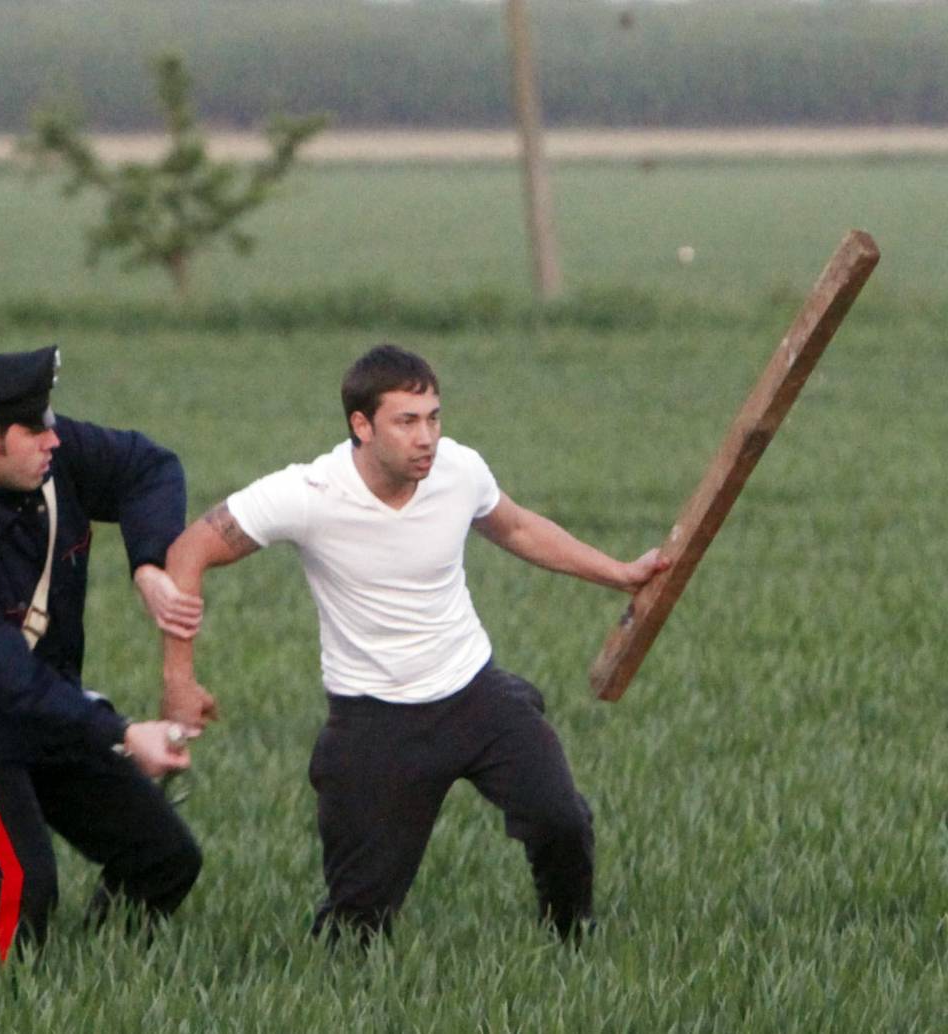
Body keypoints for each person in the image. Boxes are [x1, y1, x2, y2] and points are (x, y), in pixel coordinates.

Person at [161, 343, 668, 945]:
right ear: (361, 425)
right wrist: (179, 678)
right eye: (406, 421)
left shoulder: (458, 470)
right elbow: (188, 552)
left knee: (561, 821)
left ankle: (571, 942)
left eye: (433, 417)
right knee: (357, 922)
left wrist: (619, 572)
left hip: (476, 695)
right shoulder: (308, 493)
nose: (426, 437)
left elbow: (517, 526)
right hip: (374, 723)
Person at [0, 345, 206, 960]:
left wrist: (147, 565)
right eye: (34, 430)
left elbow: (150, 467)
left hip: (51, 699)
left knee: (165, 860)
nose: (52, 439)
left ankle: (104, 972)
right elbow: (12, 686)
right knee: (22, 887)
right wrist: (121, 733)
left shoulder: (49, 457)